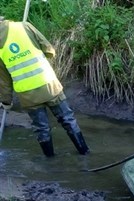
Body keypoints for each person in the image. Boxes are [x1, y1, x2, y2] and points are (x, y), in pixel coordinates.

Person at [0, 16, 89, 156]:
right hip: (49, 85)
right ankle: (84, 153)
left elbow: (4, 81)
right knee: (68, 120)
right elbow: (49, 50)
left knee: (42, 128)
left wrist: (6, 102)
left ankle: (50, 162)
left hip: (27, 94)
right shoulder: (24, 26)